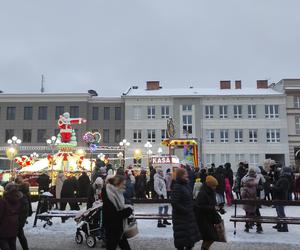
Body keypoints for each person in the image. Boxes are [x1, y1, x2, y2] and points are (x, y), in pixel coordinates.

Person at [171, 168, 200, 250]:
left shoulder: (186, 185)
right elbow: (174, 203)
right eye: (185, 174)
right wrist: (185, 210)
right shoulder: (177, 186)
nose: (187, 175)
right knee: (182, 240)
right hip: (181, 218)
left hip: (188, 217)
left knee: (189, 241)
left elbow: (189, 199)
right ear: (180, 176)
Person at [102, 175, 133, 250]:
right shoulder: (109, 195)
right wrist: (128, 211)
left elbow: (118, 210)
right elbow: (113, 215)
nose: (124, 186)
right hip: (112, 229)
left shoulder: (117, 194)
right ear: (117, 184)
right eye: (123, 184)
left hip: (118, 228)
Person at [195, 176, 221, 250]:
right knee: (211, 237)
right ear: (209, 184)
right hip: (203, 219)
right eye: (213, 186)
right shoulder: (202, 193)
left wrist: (219, 208)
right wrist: (213, 208)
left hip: (209, 218)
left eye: (215, 186)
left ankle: (204, 248)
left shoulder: (211, 192)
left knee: (208, 237)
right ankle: (204, 248)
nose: (215, 187)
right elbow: (200, 206)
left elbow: (212, 204)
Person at [0, 183, 22, 250]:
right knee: (12, 245)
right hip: (14, 226)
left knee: (4, 244)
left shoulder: (3, 201)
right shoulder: (17, 199)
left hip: (3, 227)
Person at [241, 168, 263, 233]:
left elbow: (243, 195)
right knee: (257, 213)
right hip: (255, 201)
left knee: (247, 213)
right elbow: (261, 188)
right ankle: (259, 227)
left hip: (247, 203)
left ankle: (247, 226)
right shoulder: (257, 180)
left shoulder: (246, 181)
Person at [272, 167, 290, 232]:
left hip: (280, 198)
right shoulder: (283, 179)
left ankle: (285, 227)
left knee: (281, 213)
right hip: (279, 197)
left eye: (281, 171)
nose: (280, 172)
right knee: (278, 212)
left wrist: (274, 187)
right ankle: (279, 224)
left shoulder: (284, 179)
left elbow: (281, 189)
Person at [17, 180, 32, 250]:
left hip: (18, 219)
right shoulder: (26, 195)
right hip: (21, 219)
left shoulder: (20, 196)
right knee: (20, 235)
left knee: (17, 235)